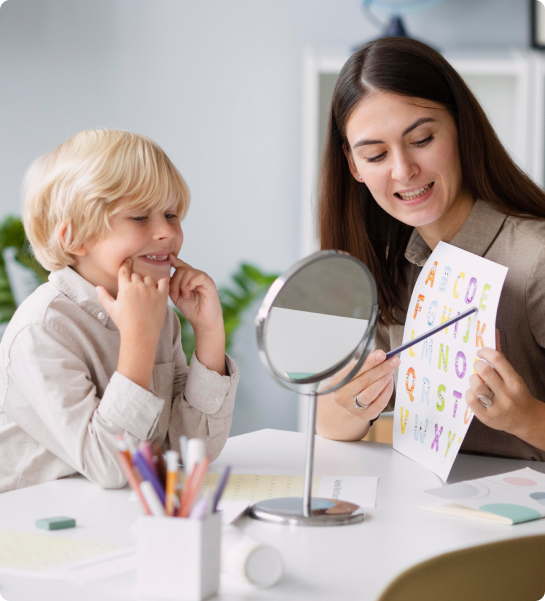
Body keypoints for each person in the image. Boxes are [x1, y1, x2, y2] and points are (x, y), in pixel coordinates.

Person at [316, 37, 545, 461]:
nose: (403, 171)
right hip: (429, 512)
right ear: (353, 166)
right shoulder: (391, 263)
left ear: (460, 127)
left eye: (421, 139)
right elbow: (329, 425)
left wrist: (525, 417)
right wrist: (353, 401)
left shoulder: (536, 259)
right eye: (376, 154)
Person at [0, 129, 239, 492]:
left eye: (171, 214)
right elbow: (112, 467)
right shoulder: (42, 329)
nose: (166, 232)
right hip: (38, 524)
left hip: (114, 514)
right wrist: (139, 339)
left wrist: (208, 333)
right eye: (140, 217)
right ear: (75, 238)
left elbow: (190, 451)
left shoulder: (158, 315)